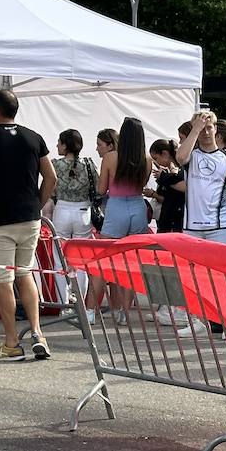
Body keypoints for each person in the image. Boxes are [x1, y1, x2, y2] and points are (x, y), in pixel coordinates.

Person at [0, 89, 57, 362]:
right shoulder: (33, 137)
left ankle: (12, 342)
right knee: (24, 274)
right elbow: (50, 177)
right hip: (29, 217)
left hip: (0, 219)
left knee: (3, 281)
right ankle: (38, 333)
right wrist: (37, 206)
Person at [86, 118, 152, 320]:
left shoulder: (111, 157)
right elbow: (142, 183)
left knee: (103, 260)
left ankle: (90, 311)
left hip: (116, 207)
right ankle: (124, 311)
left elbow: (101, 188)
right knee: (132, 263)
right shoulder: (147, 158)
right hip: (138, 207)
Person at [175, 111, 226, 245]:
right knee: (193, 266)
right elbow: (180, 158)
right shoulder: (191, 155)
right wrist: (195, 129)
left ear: (215, 129)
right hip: (192, 227)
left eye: (209, 128)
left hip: (220, 228)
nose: (206, 133)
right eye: (202, 129)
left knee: (219, 266)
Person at [51, 129, 99, 242]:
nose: (57, 145)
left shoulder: (55, 164)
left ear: (65, 145)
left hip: (61, 209)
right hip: (83, 210)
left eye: (59, 142)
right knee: (82, 249)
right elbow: (98, 187)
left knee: (59, 246)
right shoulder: (88, 163)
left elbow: (51, 190)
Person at [154, 124, 191, 235]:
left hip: (178, 220)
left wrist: (164, 178)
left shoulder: (184, 164)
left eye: (182, 138)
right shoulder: (179, 166)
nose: (180, 143)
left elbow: (185, 186)